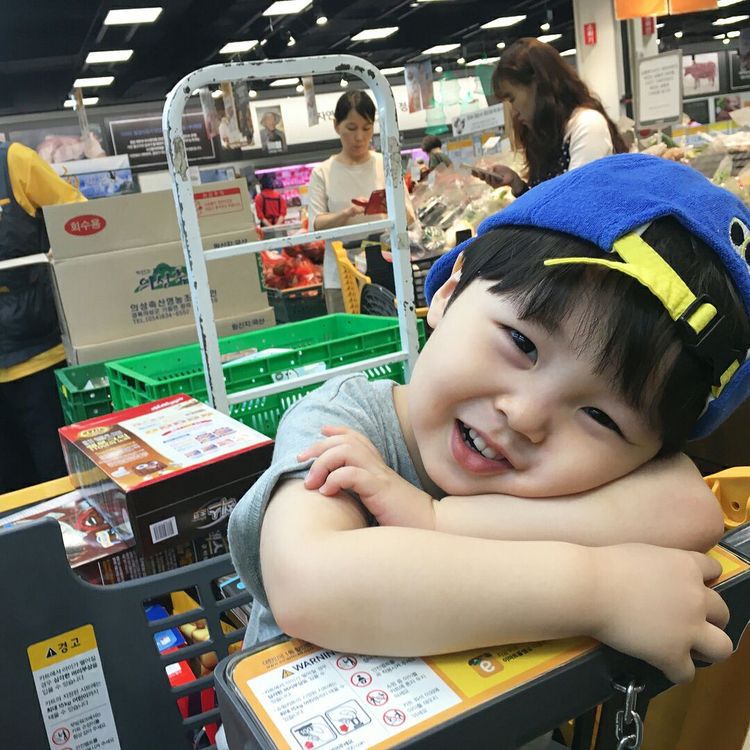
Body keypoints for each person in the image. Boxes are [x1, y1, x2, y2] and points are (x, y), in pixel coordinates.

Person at [229, 154, 750, 689]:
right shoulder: (345, 426)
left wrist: (439, 520)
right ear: (449, 292)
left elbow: (690, 511)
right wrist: (598, 591)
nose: (524, 416)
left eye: (599, 416)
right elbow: (310, 581)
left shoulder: (587, 472)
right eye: (522, 343)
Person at [0, 141, 86, 492]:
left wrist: (55, 255)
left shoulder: (14, 161)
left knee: (53, 472)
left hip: (37, 355)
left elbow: (78, 217)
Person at [306, 91, 415, 313]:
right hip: (341, 278)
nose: (359, 137)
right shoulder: (322, 172)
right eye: (351, 128)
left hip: (387, 269)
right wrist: (347, 213)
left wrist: (390, 206)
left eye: (366, 128)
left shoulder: (387, 164)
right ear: (336, 126)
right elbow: (316, 225)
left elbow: (410, 218)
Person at [478, 38, 627, 196]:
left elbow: (575, 202)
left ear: (537, 85)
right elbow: (550, 205)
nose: (514, 111)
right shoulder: (550, 135)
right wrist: (517, 185)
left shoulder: (587, 125)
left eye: (512, 99)